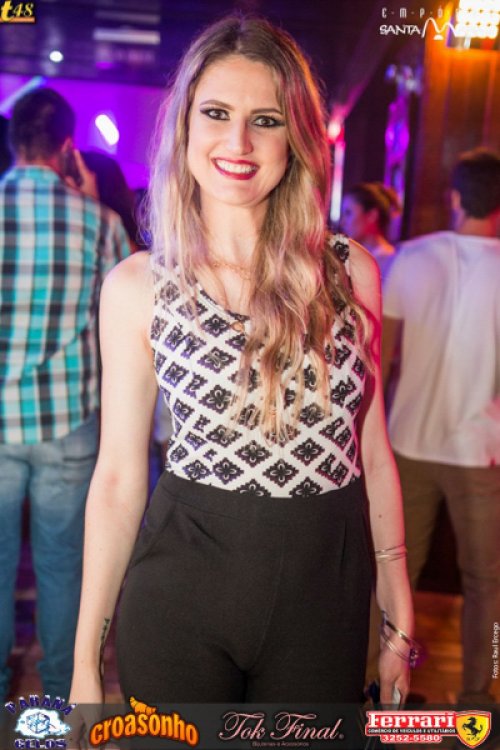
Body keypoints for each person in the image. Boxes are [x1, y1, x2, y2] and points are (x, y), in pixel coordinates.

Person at [70, 15, 413, 710]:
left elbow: (372, 450)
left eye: (266, 120)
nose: (238, 143)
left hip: (325, 598)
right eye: (217, 113)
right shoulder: (140, 286)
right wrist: (83, 663)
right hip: (181, 597)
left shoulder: (350, 272)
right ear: (184, 125)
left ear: (297, 139)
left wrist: (397, 606)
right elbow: (118, 478)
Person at [0, 87, 130, 701]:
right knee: (62, 567)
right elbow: (126, 318)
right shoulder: (100, 223)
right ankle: (56, 697)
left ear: (12, 140)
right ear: (68, 149)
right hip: (69, 421)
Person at [382, 148, 500, 704]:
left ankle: (379, 692)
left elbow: (378, 359)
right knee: (486, 584)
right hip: (481, 451)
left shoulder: (412, 256)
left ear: (455, 197)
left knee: (396, 574)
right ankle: (479, 699)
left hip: (406, 442)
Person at [341, 182, 402, 284]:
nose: (343, 222)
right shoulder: (349, 258)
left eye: (348, 213)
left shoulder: (390, 261)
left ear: (371, 215)